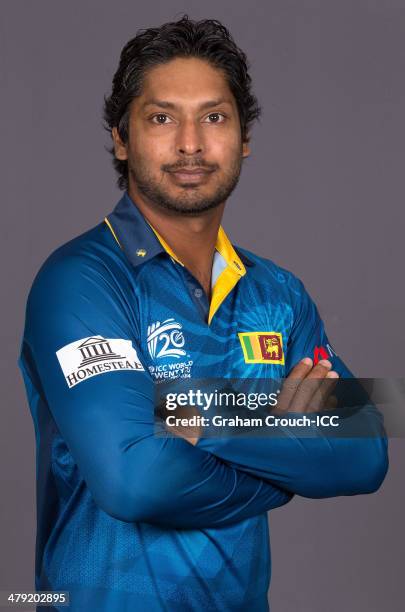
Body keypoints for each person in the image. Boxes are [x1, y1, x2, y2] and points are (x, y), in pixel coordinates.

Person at [18, 15, 388, 612]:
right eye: (162, 118)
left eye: (213, 117)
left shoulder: (280, 294)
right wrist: (281, 445)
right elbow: (135, 480)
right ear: (121, 137)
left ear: (243, 137)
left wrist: (200, 413)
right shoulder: (81, 280)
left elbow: (367, 451)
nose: (190, 143)